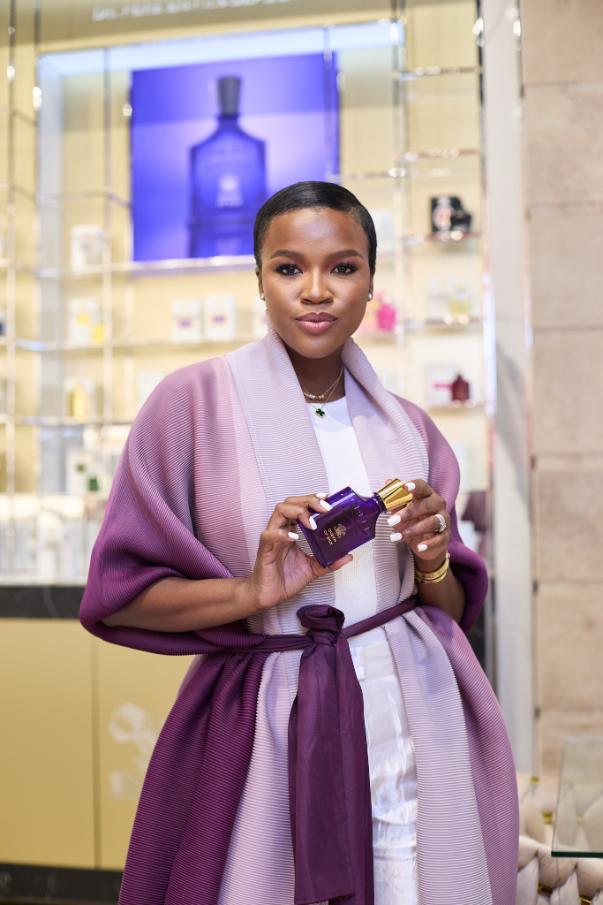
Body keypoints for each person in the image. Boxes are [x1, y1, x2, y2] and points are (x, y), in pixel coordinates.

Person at [79, 181, 518, 905]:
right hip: (271, 719)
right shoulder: (189, 405)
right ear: (258, 278)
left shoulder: (408, 426)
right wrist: (251, 592)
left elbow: (445, 609)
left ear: (371, 280)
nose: (316, 290)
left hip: (414, 713)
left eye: (342, 267)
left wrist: (432, 556)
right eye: (288, 268)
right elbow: (122, 596)